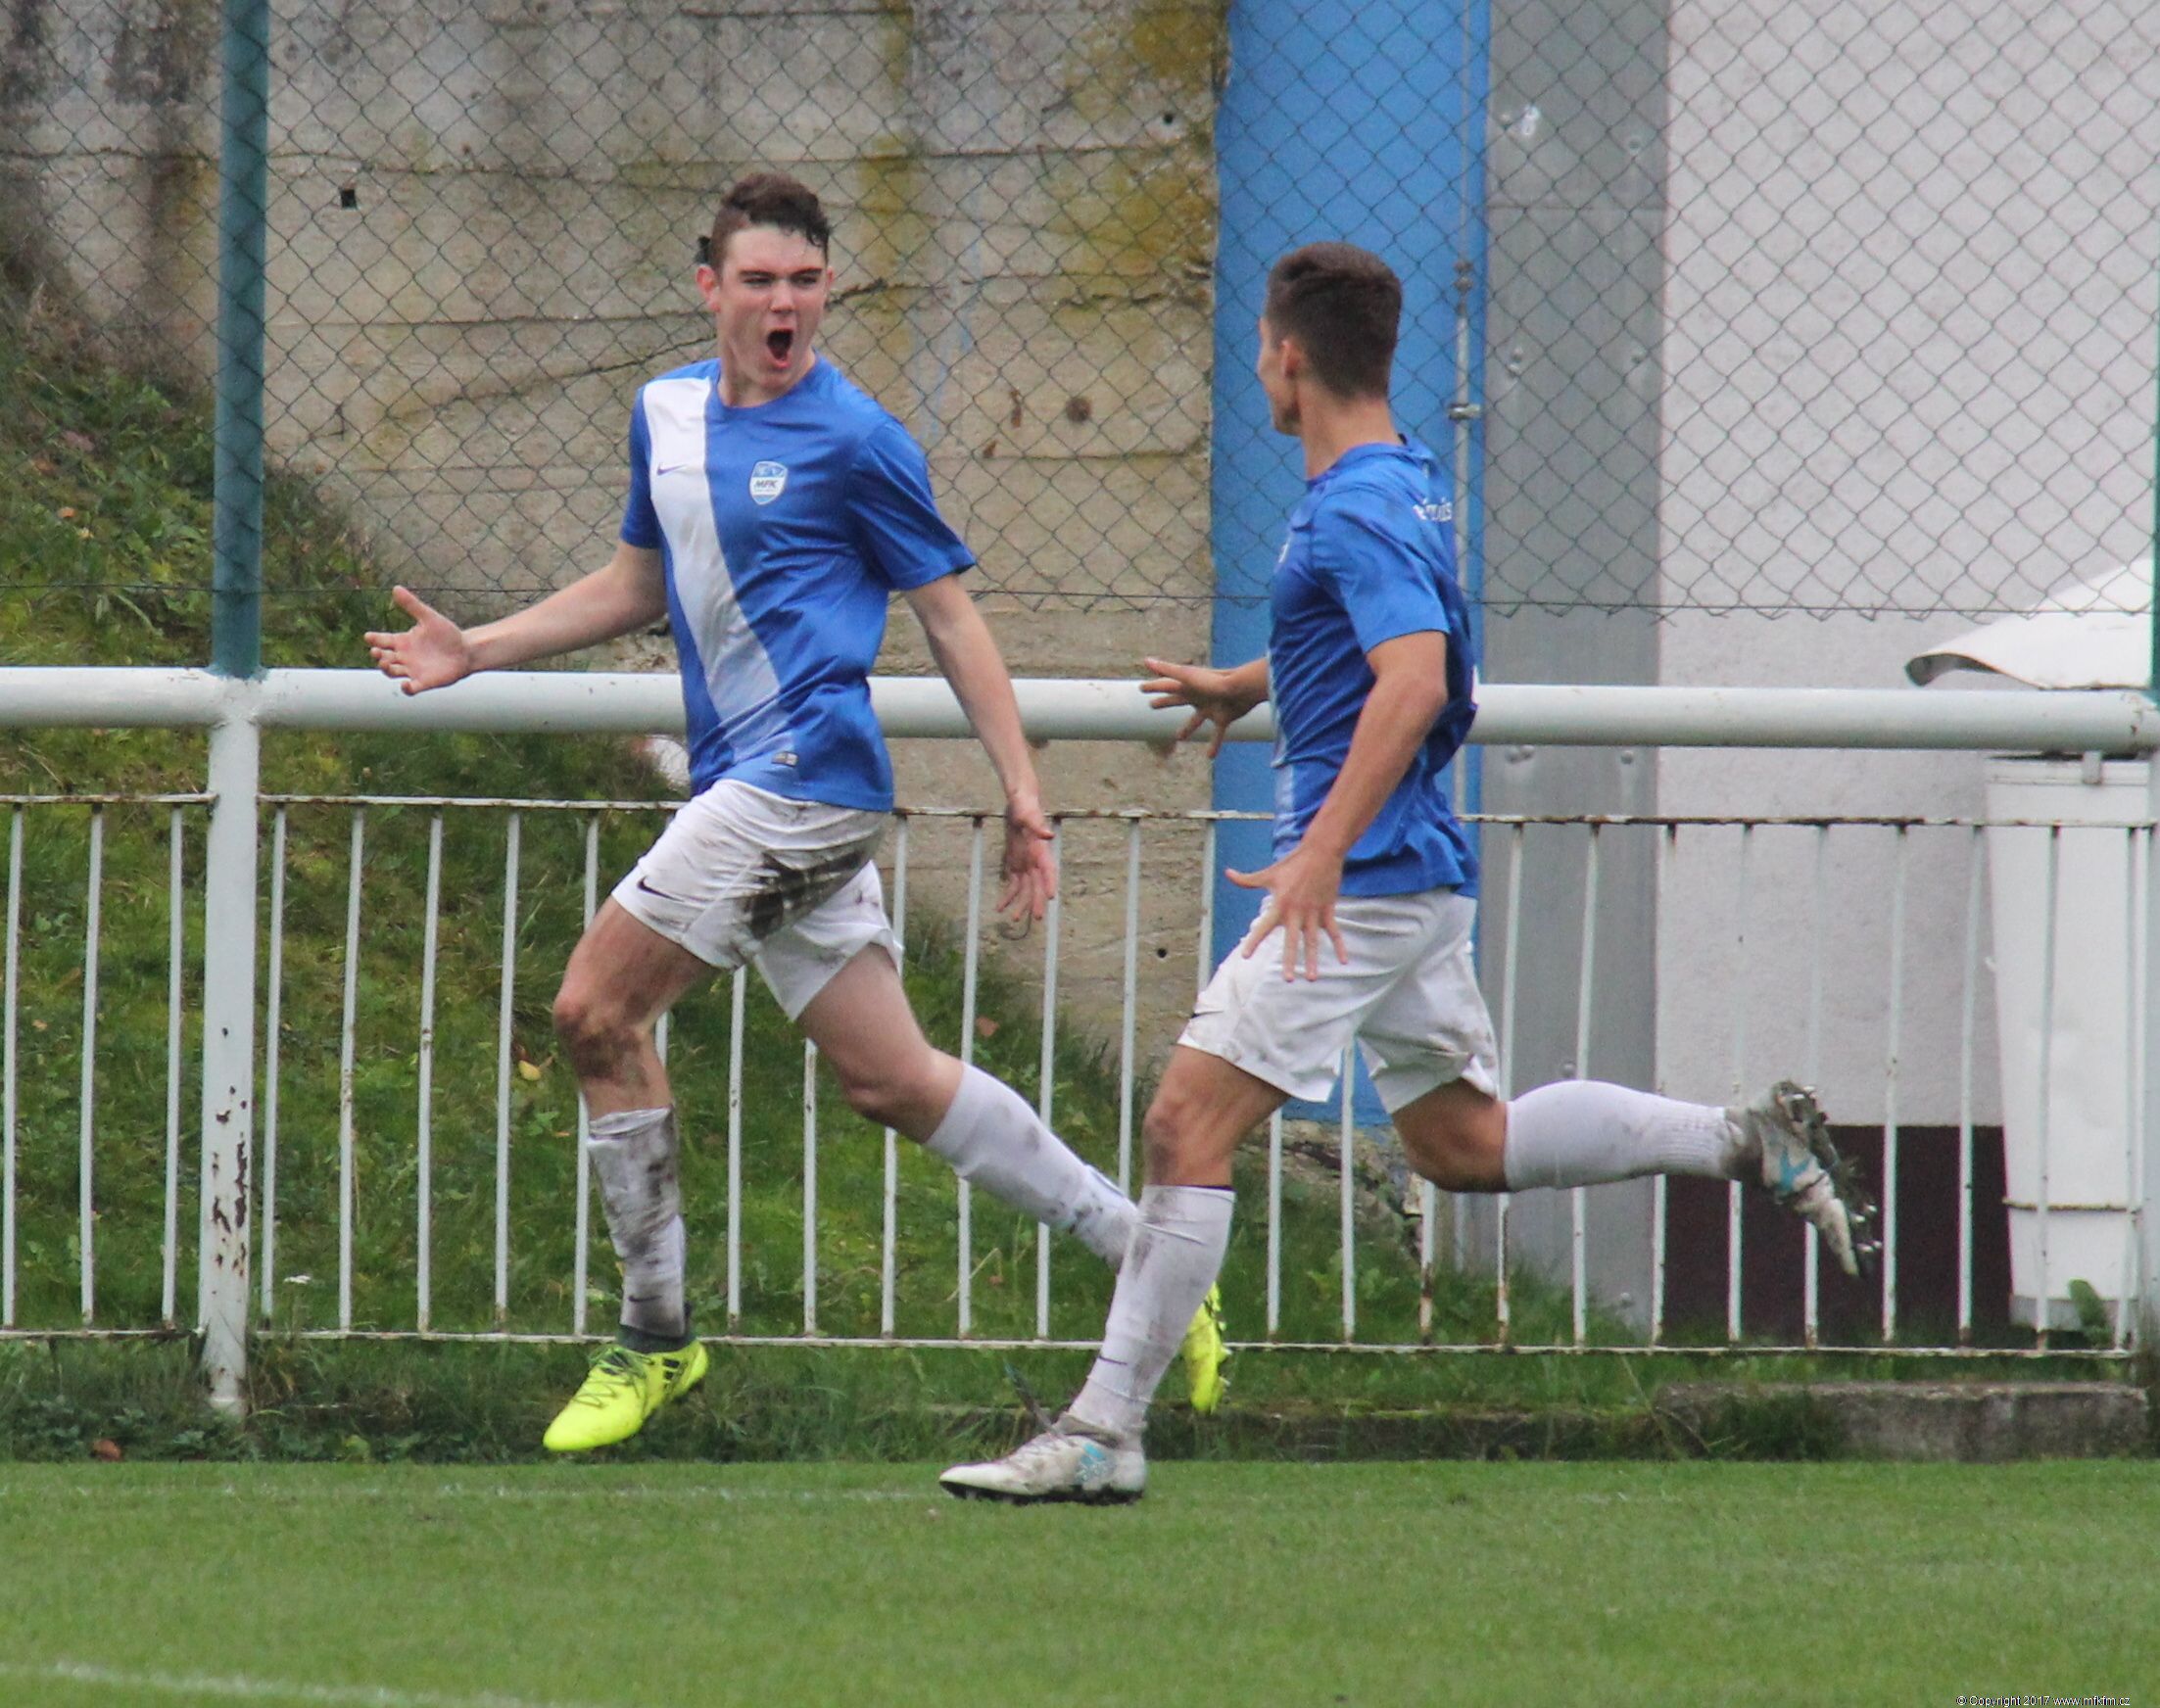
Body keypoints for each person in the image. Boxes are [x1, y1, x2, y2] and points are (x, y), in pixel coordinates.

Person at [939, 241, 1880, 1504]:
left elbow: (1418, 678)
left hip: (1362, 884)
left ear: (1286, 357)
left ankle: (1105, 1431)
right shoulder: (1405, 481)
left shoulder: (1357, 505)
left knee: (1181, 1127)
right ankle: (1740, 1141)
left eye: (1259, 350)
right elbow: (1379, 633)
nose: (1258, 369)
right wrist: (1248, 682)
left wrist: (1318, 852)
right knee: (1462, 1143)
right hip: (1411, 875)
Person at [366, 171, 1225, 1451]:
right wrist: (475, 648)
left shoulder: (858, 439)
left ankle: (655, 1337)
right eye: (760, 280)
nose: (785, 303)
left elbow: (951, 621)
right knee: (891, 1080)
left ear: (828, 291)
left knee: (594, 1012)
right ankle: (1151, 1259)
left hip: (803, 781)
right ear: (710, 288)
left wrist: (1024, 794)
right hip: (752, 787)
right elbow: (637, 583)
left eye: (807, 281)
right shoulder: (662, 413)